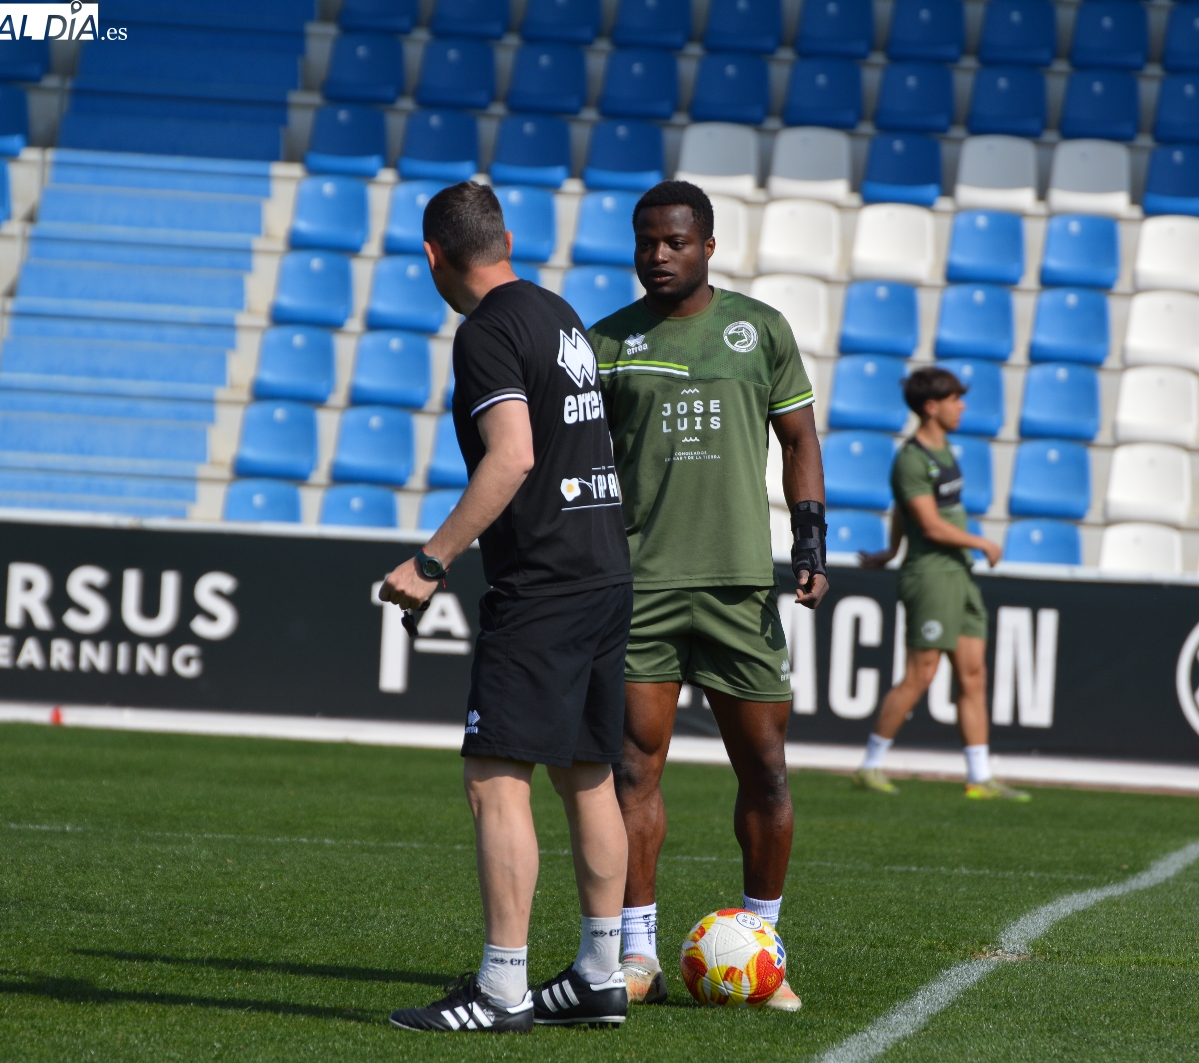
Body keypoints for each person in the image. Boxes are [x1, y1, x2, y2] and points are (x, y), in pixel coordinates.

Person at [380, 182, 636, 1034]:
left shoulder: (486, 330)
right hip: (603, 568)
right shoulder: (558, 313)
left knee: (495, 776)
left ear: (432, 255)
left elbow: (513, 455)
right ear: (508, 241)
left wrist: (430, 560)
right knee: (588, 772)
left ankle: (501, 988)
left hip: (545, 581)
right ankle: (600, 972)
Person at [585, 180, 830, 1011]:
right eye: (645, 242)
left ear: (708, 246)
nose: (658, 255)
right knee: (632, 770)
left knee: (764, 769)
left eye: (676, 242)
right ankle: (637, 955)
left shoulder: (759, 329)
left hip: (736, 586)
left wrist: (809, 541)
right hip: (639, 587)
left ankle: (764, 948)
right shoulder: (606, 341)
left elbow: (798, 439)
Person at [856, 368, 1029, 801]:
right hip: (931, 575)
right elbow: (930, 525)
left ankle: (979, 777)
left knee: (973, 674)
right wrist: (980, 542)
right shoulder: (911, 459)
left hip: (958, 573)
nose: (962, 406)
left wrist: (890, 549)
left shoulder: (944, 448)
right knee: (921, 673)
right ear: (931, 407)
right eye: (955, 399)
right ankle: (870, 765)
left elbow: (903, 509)